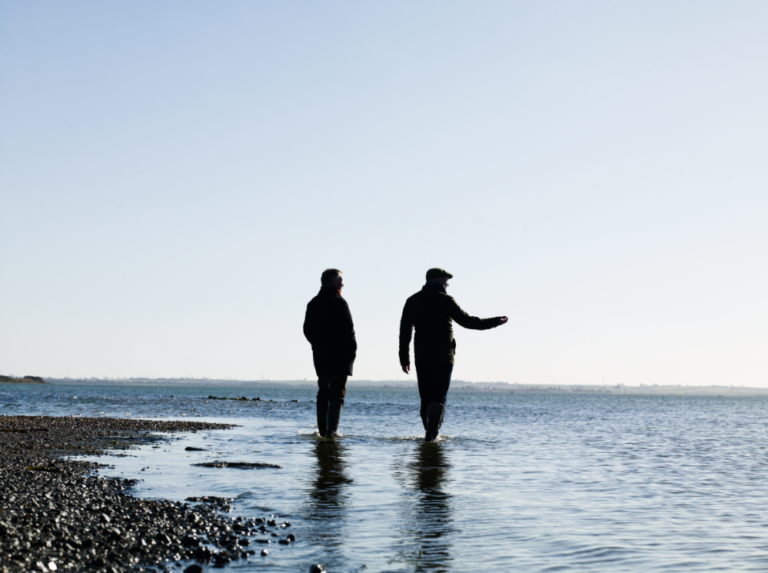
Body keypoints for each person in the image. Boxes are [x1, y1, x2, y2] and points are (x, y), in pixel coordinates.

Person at [399, 268, 507, 442]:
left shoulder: (412, 300)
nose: (447, 283)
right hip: (443, 356)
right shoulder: (445, 299)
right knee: (438, 395)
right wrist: (495, 322)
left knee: (426, 397)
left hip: (422, 356)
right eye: (446, 280)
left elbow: (405, 332)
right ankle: (432, 434)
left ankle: (429, 433)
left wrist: (404, 358)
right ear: (438, 280)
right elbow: (468, 321)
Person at [304, 269, 357, 438]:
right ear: (333, 282)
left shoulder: (313, 303)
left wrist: (317, 345)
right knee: (337, 393)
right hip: (340, 356)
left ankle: (323, 432)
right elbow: (349, 332)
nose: (343, 283)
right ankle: (331, 432)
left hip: (320, 356)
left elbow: (306, 330)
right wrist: (351, 353)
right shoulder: (339, 303)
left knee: (323, 392)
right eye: (340, 280)